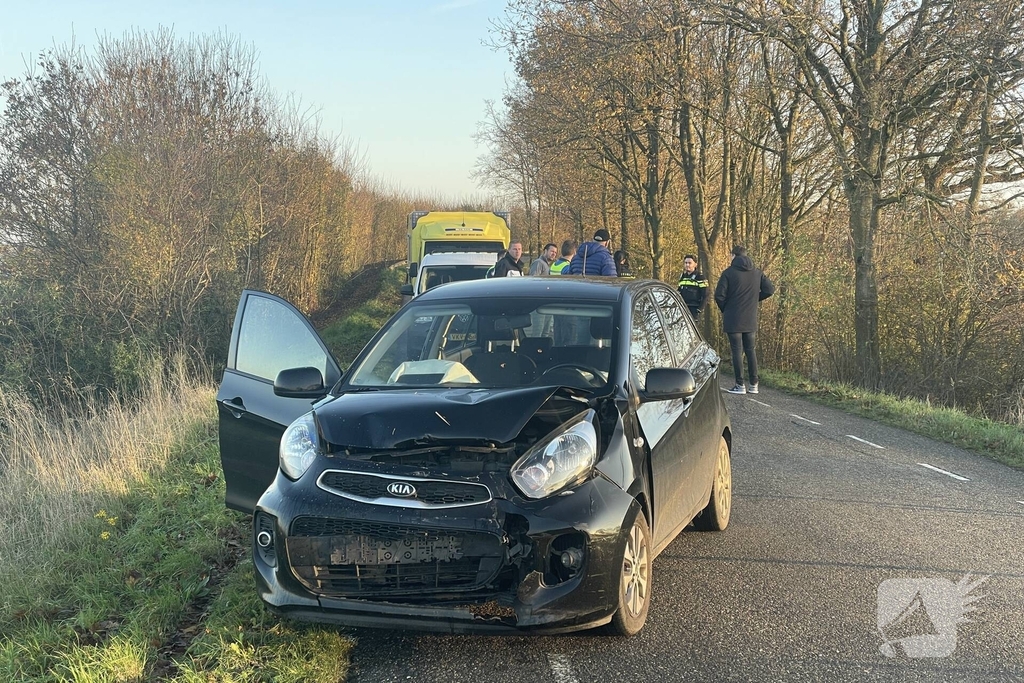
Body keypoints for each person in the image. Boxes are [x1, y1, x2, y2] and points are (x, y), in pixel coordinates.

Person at [714, 245, 775, 395]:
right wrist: (755, 299)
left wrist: (726, 309)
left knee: (736, 351)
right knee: (750, 350)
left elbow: (719, 296)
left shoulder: (728, 273)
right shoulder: (757, 273)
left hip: (733, 318)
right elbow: (770, 290)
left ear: (734, 256)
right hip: (750, 317)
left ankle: (739, 385)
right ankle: (754, 384)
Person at [677, 254, 709, 322]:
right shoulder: (682, 276)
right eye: (686, 263)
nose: (687, 265)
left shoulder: (700, 277)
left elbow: (705, 295)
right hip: (682, 309)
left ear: (695, 264)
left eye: (689, 263)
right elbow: (679, 291)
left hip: (693, 309)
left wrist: (699, 310)